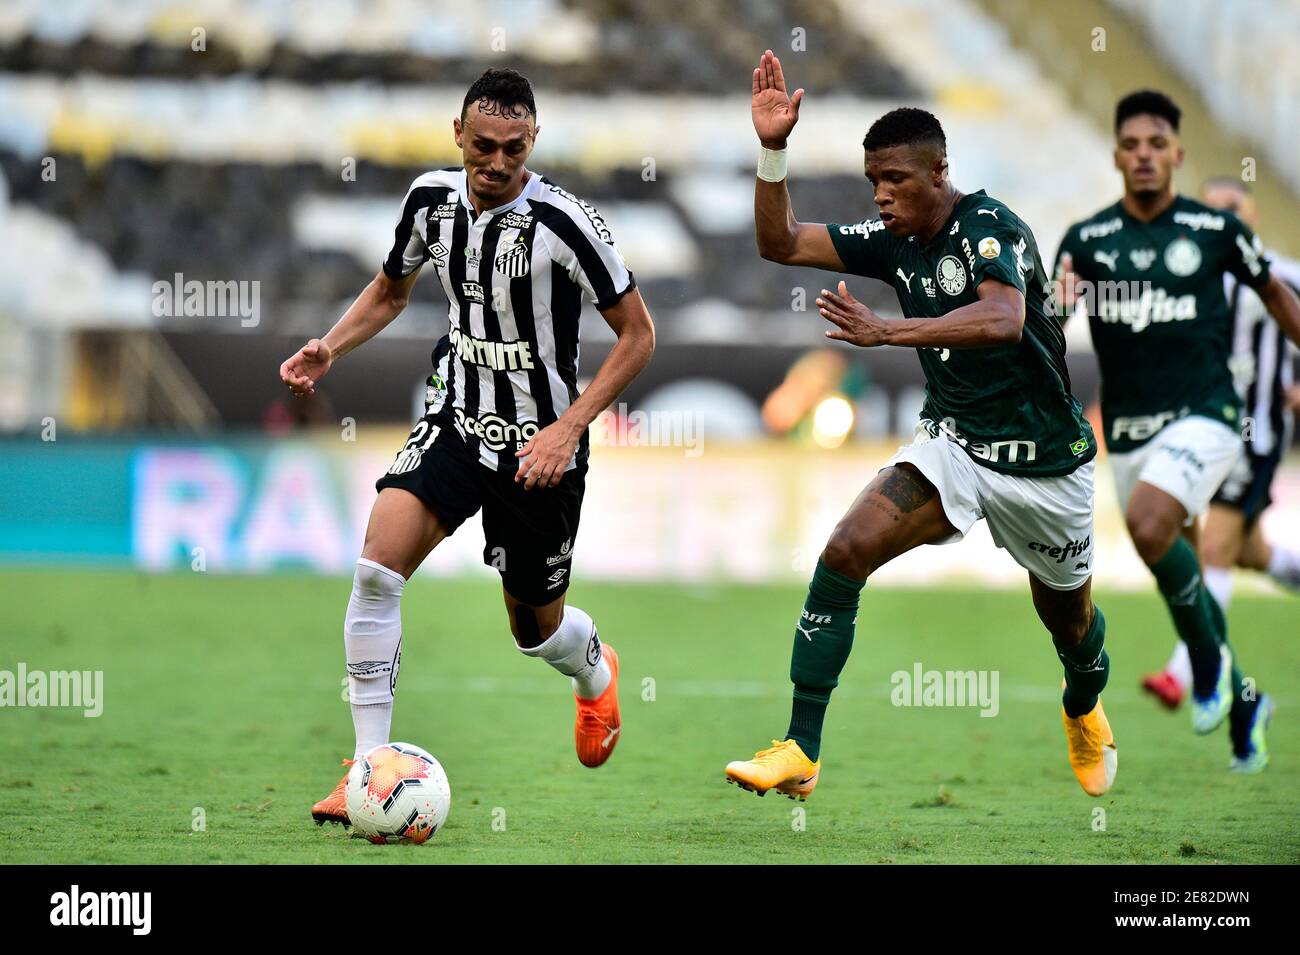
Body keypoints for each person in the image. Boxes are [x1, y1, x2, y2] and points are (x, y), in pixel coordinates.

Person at [725, 51, 1114, 801]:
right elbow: (781, 242)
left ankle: (1082, 701)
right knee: (845, 550)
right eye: (874, 181)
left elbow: (1004, 319)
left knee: (1071, 621)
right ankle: (801, 748)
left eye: (895, 180)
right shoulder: (895, 240)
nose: (881, 196)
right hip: (956, 447)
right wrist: (773, 151)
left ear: (939, 173)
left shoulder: (990, 226)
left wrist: (886, 334)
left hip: (1045, 466)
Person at [279, 68, 656, 826]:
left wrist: (570, 426)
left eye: (513, 149)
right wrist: (332, 347)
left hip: (540, 450)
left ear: (533, 142)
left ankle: (593, 667)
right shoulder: (429, 201)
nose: (495, 162)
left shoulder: (568, 224)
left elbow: (639, 335)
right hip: (455, 417)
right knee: (377, 568)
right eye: (482, 145)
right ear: (458, 135)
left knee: (533, 628)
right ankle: (366, 768)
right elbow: (391, 289)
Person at [1055, 91, 1300, 772]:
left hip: (1211, 415)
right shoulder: (1088, 240)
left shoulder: (1214, 230)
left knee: (1150, 520)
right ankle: (1245, 697)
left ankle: (1204, 667)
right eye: (1131, 145)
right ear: (1116, 157)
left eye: (1156, 144)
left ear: (1177, 155)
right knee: (1175, 561)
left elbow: (1279, 293)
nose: (1143, 155)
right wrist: (1054, 311)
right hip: (1131, 433)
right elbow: (1047, 325)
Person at [1141, 177, 1300, 709]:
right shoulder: (1192, 279)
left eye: (1232, 209)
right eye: (1209, 211)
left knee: (1213, 548)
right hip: (1200, 433)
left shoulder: (1281, 275)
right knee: (1250, 552)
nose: (1221, 220)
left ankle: (1183, 674)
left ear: (1252, 215)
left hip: (1252, 435)